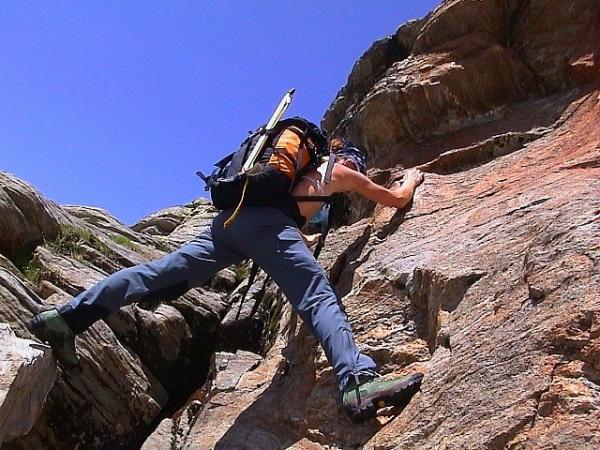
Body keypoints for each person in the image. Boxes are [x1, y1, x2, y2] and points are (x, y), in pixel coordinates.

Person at [29, 137, 425, 422]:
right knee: (318, 298)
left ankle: (66, 318)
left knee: (153, 275)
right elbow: (395, 199)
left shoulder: (289, 172)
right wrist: (410, 180)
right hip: (267, 227)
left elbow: (288, 224)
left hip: (228, 223)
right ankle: (358, 381)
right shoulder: (338, 169)